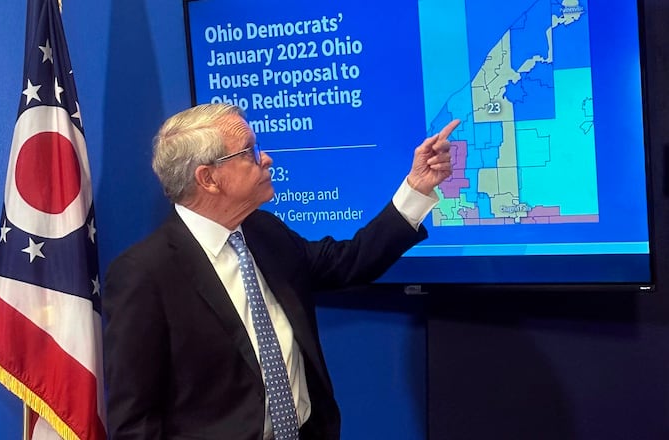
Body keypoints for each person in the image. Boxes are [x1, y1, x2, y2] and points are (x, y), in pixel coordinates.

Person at [103, 103, 459, 440]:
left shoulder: (265, 232)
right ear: (208, 178)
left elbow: (349, 261)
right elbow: (135, 421)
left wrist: (416, 188)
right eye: (249, 152)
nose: (267, 159)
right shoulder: (144, 275)